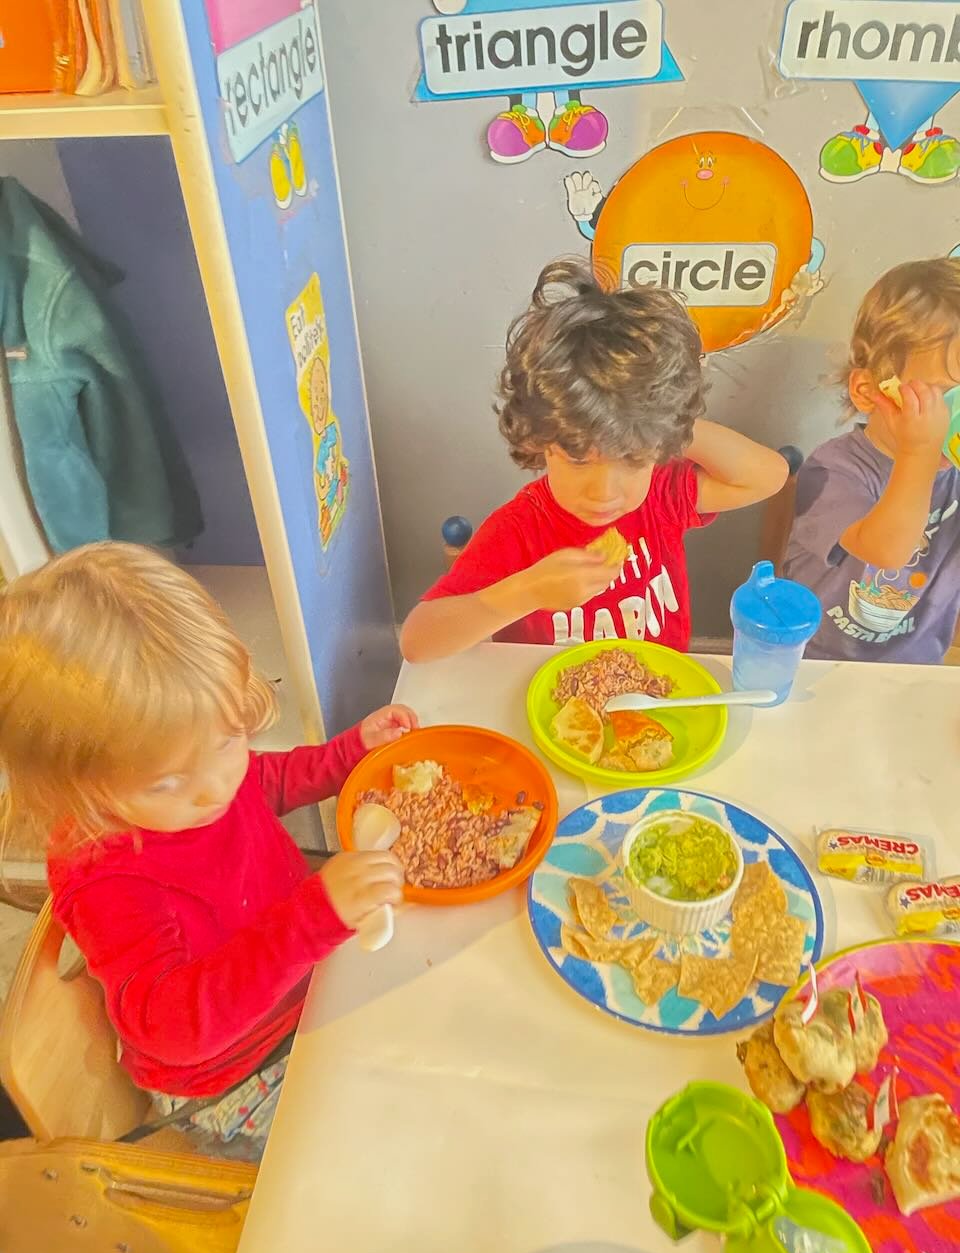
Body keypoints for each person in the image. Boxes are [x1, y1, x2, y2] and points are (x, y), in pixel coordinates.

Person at [0, 543, 413, 1154]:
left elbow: (264, 782)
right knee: (378, 1143)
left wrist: (348, 754)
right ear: (76, 788)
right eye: (167, 782)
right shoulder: (109, 880)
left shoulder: (197, 776)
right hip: (236, 1074)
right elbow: (174, 1030)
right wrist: (311, 919)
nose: (215, 787)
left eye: (227, 741)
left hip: (299, 988)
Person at [400, 258, 789, 661]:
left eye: (632, 459)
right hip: (548, 696)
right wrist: (525, 592)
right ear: (540, 441)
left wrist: (662, 421)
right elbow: (417, 642)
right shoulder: (519, 532)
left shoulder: (661, 497)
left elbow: (768, 477)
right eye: (579, 460)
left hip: (656, 691)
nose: (604, 493)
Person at [783, 258, 960, 663]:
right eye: (943, 396)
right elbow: (887, 551)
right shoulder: (834, 471)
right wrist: (919, 452)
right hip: (818, 661)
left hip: (916, 667)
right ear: (869, 391)